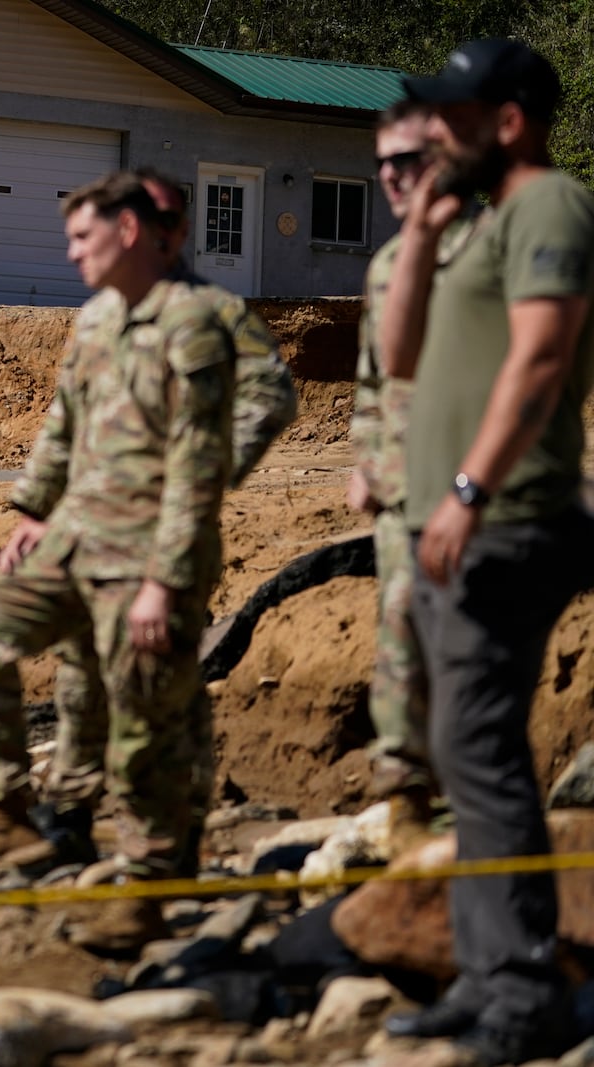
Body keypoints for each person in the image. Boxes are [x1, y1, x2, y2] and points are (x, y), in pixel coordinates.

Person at [0, 171, 236, 955]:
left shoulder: (196, 323)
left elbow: (200, 467)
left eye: (82, 238)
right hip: (72, 541)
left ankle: (147, 891)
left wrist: (166, 580)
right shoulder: (98, 319)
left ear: (129, 232)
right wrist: (32, 511)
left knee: (140, 729)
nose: (69, 254)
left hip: (147, 558)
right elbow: (63, 422)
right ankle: (7, 816)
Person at [375, 40, 594, 1063]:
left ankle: (521, 995)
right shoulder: (466, 222)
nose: (433, 134)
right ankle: (484, 972)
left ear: (507, 120)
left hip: (503, 524)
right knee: (464, 757)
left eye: (453, 116)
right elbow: (398, 356)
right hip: (441, 528)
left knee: (484, 751)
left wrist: (469, 489)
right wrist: (418, 234)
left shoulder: (548, 204)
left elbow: (543, 356)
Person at [36, 169, 296, 871]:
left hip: (166, 532)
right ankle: (68, 813)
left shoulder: (213, 310)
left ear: (175, 231)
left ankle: (169, 840)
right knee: (80, 673)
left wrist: (211, 469)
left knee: (158, 686)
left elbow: (269, 395)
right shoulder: (109, 314)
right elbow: (71, 413)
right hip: (96, 532)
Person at [346, 101, 467, 835]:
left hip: (469, 491)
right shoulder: (388, 263)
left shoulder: (490, 250)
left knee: (465, 647)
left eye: (409, 161)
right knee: (397, 633)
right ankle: (404, 801)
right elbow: (373, 379)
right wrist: (365, 459)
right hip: (398, 489)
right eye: (383, 162)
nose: (392, 176)